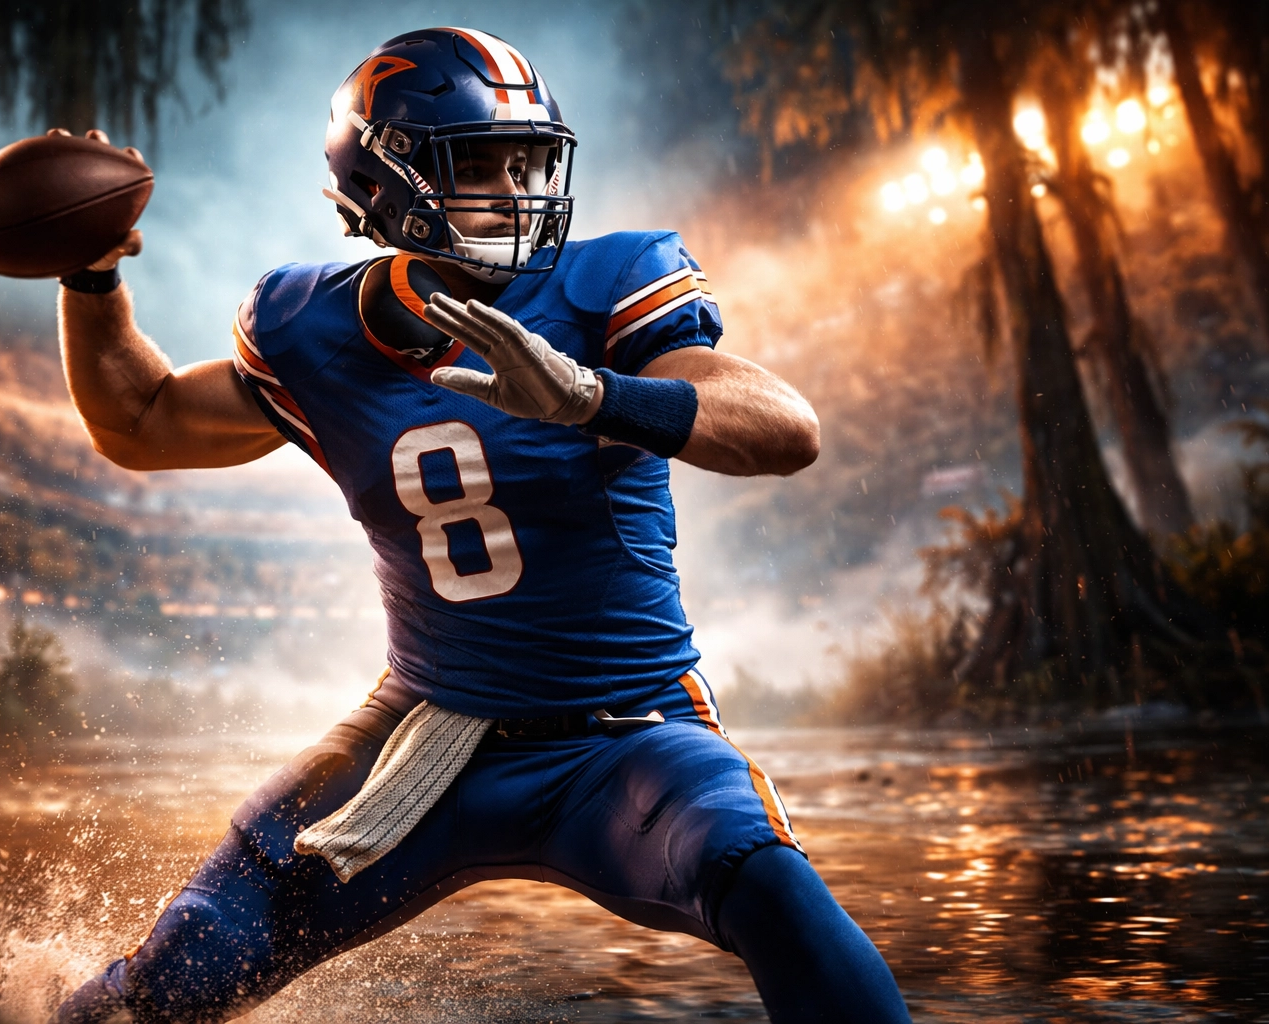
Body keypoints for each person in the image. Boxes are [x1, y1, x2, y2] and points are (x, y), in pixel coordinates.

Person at [54, 27, 911, 1024]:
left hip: (626, 734)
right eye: (480, 164)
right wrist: (90, 277)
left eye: (526, 162)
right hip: (420, 739)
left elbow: (786, 429)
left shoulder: (607, 284)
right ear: (386, 180)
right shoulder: (311, 328)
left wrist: (595, 396)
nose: (515, 190)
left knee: (771, 890)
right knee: (176, 975)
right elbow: (142, 419)